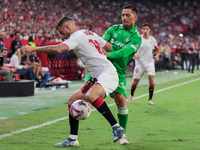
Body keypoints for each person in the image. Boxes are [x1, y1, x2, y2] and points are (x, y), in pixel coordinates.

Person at [21, 17, 125, 147]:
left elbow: (57, 49)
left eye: (61, 32)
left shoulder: (75, 37)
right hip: (98, 75)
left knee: (92, 95)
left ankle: (116, 127)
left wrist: (34, 49)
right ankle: (72, 139)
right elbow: (109, 46)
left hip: (107, 73)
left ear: (68, 27)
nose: (61, 35)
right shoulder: (89, 33)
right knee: (72, 101)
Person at [84, 4, 142, 145]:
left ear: (135, 17)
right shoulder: (113, 29)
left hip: (118, 71)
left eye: (127, 15)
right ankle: (73, 137)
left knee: (121, 99)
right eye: (122, 15)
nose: (124, 17)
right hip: (100, 67)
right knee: (82, 96)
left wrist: (108, 53)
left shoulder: (136, 37)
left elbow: (123, 53)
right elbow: (102, 42)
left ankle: (121, 133)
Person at [127, 22, 161, 105]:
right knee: (135, 82)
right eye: (144, 29)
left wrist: (157, 55)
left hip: (149, 63)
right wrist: (134, 54)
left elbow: (158, 49)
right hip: (139, 63)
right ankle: (131, 95)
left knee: (151, 79)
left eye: (147, 29)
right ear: (141, 30)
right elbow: (131, 48)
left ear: (149, 30)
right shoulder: (138, 39)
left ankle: (150, 100)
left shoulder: (152, 40)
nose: (145, 30)